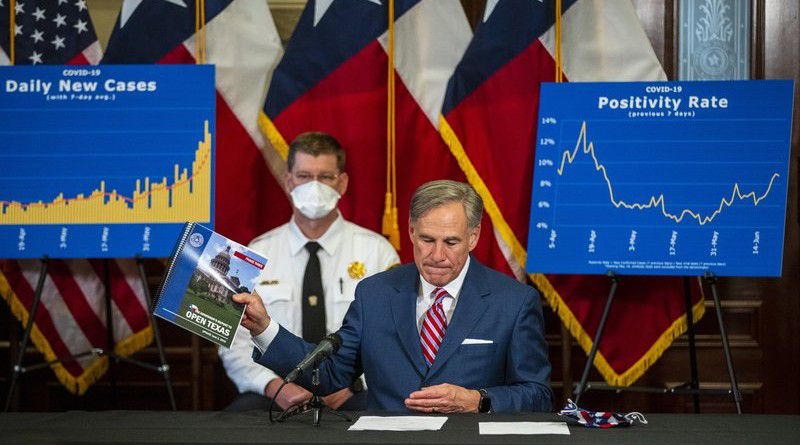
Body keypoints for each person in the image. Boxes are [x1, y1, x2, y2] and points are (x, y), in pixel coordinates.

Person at [236, 180, 552, 413]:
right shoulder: (375, 293)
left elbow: (537, 394)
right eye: (427, 239)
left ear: (474, 236)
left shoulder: (514, 301)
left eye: (451, 242)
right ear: (411, 231)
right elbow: (329, 375)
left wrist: (478, 400)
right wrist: (264, 328)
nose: (437, 255)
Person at [218, 132, 399, 411]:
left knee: (384, 418)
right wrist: (274, 386)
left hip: (352, 392)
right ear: (289, 181)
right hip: (278, 389)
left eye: (325, 177)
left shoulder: (377, 253)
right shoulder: (256, 253)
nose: (314, 187)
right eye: (304, 176)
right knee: (238, 418)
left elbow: (393, 338)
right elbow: (234, 342)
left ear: (342, 183)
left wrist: (350, 385)